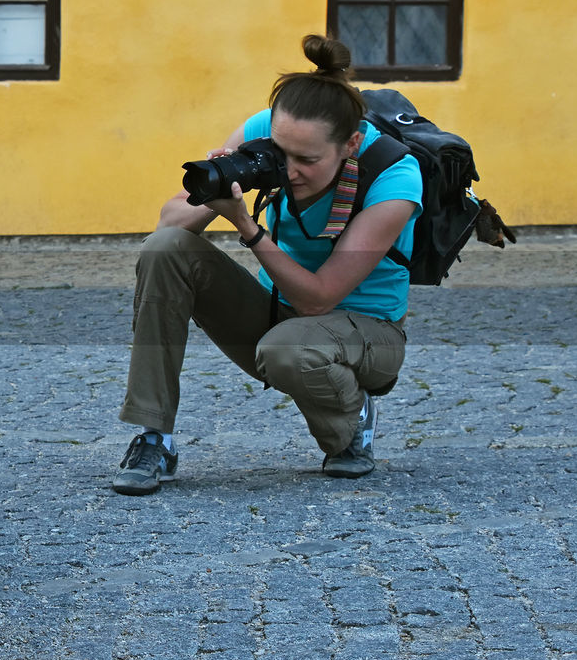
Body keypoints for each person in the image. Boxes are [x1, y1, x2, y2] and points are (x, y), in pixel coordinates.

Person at [111, 34, 422, 496]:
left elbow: (319, 299)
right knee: (167, 248)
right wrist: (221, 192)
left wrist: (248, 226)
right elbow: (168, 222)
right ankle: (156, 436)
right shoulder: (266, 131)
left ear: (351, 144)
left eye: (307, 160)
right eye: (282, 153)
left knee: (290, 348)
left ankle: (351, 421)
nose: (290, 169)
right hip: (279, 316)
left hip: (365, 332)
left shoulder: (395, 177)